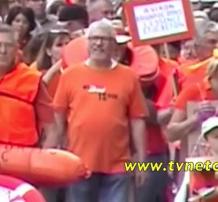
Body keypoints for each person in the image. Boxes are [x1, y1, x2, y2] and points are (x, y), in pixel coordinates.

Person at [52, 20, 148, 201]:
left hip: (119, 166)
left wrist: (142, 163)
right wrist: (60, 145)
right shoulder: (70, 75)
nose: (98, 43)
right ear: (87, 43)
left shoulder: (129, 76)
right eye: (94, 38)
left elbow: (137, 120)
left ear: (114, 45)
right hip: (78, 163)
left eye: (104, 39)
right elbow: (58, 113)